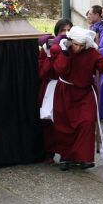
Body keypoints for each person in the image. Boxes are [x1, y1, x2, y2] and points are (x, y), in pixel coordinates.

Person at [49, 26, 103, 170]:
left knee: (86, 122)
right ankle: (66, 157)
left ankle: (83, 157)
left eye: (81, 45)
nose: (77, 48)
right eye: (75, 44)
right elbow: (59, 69)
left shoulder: (91, 53)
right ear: (71, 41)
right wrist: (65, 54)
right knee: (64, 125)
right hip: (65, 93)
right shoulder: (64, 51)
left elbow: (101, 66)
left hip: (84, 94)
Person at [38, 18, 72, 162]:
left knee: (66, 122)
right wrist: (49, 55)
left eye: (68, 30)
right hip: (52, 86)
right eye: (62, 30)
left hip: (68, 88)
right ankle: (49, 151)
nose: (66, 33)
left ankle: (67, 153)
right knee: (49, 121)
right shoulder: (49, 49)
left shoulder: (75, 47)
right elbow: (44, 72)